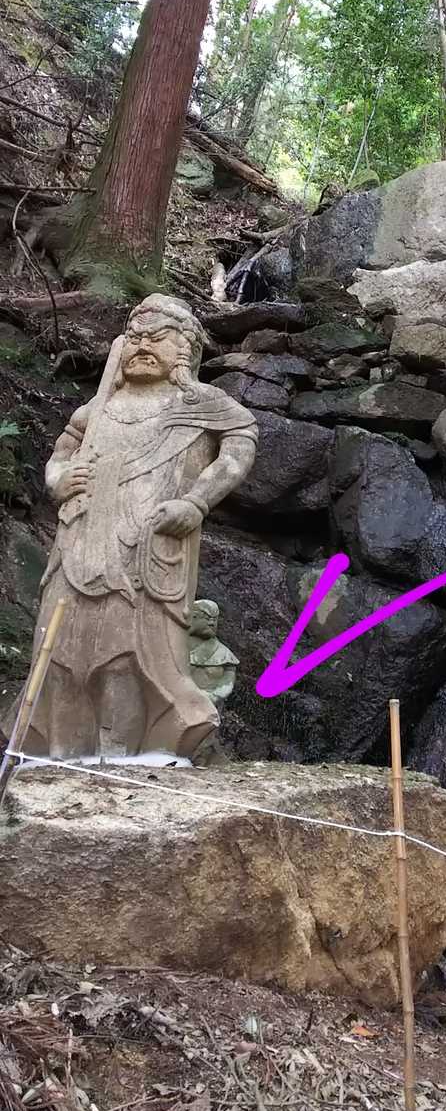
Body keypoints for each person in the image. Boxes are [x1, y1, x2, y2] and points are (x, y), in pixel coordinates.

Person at [22, 295, 256, 761]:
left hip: (146, 548)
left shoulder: (202, 404)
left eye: (157, 337)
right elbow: (61, 455)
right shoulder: (97, 409)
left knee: (125, 661)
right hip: (78, 543)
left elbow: (239, 446)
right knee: (60, 656)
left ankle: (121, 760)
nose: (142, 346)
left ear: (184, 350)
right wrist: (58, 479)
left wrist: (196, 501)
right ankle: (61, 760)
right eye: (134, 337)